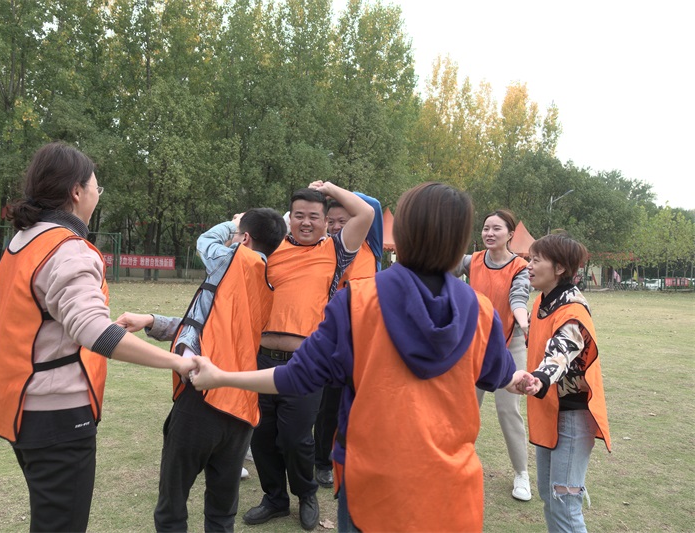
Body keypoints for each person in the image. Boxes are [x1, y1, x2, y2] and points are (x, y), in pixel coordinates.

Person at [190, 182, 535, 532]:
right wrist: (519, 378)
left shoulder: (357, 301)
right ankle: (278, 495)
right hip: (450, 490)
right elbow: (499, 373)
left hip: (371, 485)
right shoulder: (480, 311)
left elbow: (297, 376)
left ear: (402, 232)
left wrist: (222, 377)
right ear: (461, 239)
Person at [0, 142, 196, 533]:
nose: (98, 195)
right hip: (57, 416)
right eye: (97, 187)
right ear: (77, 192)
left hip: (21, 407)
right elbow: (94, 331)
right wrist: (178, 361)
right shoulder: (69, 250)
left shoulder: (24, 240)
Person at [116, 209, 287, 532]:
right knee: (222, 514)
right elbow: (205, 326)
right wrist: (152, 320)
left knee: (172, 506)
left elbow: (205, 240)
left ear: (245, 240)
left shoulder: (237, 260)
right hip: (241, 406)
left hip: (202, 399)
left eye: (236, 237)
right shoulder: (263, 284)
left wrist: (235, 223)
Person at [245, 181, 374, 530]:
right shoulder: (269, 247)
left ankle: (306, 494)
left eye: (314, 217)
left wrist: (330, 187)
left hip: (307, 363)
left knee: (295, 437)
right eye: (299, 215)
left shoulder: (336, 250)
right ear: (289, 218)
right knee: (261, 434)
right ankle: (274, 497)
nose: (306, 222)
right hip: (261, 357)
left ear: (325, 221)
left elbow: (367, 213)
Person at [521, 232, 611, 532]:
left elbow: (562, 350)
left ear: (559, 268)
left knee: (564, 502)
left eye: (536, 259)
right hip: (549, 410)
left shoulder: (572, 309)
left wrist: (540, 377)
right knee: (550, 496)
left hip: (573, 417)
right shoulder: (542, 302)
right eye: (529, 258)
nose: (529, 265)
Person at [456, 209, 533, 501]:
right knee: (465, 408)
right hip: (474, 344)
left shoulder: (520, 267)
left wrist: (524, 323)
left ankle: (522, 475)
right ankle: (459, 465)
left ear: (510, 234)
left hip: (510, 344)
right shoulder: (471, 260)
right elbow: (440, 271)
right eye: (486, 228)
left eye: (496, 229)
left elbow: (518, 298)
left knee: (507, 409)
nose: (489, 233)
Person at [313, 193, 383, 488]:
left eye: (345, 221)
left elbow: (373, 207)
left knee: (360, 403)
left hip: (366, 339)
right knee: (327, 406)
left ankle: (355, 455)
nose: (337, 227)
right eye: (332, 221)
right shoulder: (325, 248)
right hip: (331, 338)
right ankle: (321, 462)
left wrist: (330, 189)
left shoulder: (372, 245)